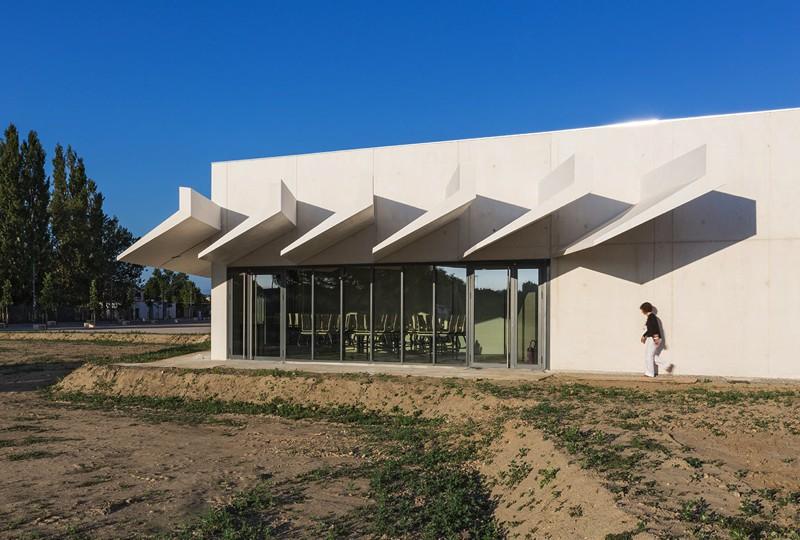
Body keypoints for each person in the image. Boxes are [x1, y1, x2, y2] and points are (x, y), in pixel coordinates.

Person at [640, 302, 671, 377]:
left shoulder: (651, 317)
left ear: (644, 310)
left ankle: (650, 373)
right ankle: (666, 365)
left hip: (653, 338)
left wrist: (654, 339)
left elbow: (654, 329)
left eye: (642, 310)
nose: (641, 312)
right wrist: (645, 336)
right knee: (651, 355)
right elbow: (651, 329)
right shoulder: (651, 317)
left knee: (649, 356)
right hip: (653, 338)